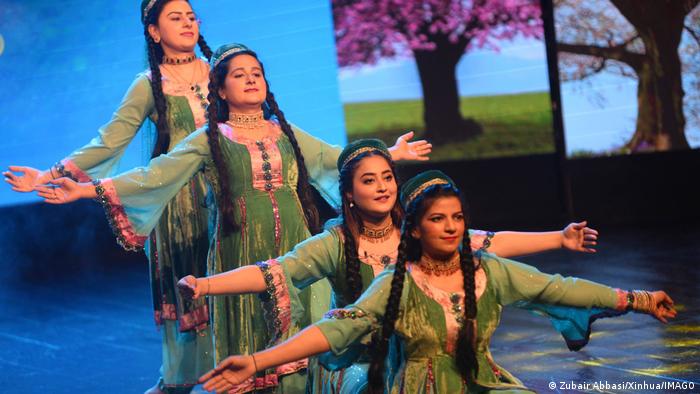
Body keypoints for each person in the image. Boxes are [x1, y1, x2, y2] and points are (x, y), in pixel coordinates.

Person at [32, 44, 430, 393]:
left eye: (257, 73)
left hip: (297, 247)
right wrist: (84, 189)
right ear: (220, 89)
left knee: (305, 348)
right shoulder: (210, 138)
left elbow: (333, 159)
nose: (251, 80)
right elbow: (157, 174)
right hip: (240, 251)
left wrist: (389, 154)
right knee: (254, 348)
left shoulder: (282, 132)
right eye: (239, 75)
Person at [178, 142, 603, 394]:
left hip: (425, 360)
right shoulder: (335, 243)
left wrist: (558, 238)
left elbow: (488, 243)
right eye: (369, 180)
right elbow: (274, 272)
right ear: (348, 194)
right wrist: (205, 285)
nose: (382, 187)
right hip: (360, 365)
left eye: (387, 177)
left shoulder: (418, 231)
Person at [4, 2, 215, 392]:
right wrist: (48, 175)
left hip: (233, 197)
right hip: (182, 203)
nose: (187, 22)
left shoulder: (221, 69)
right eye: (175, 17)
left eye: (191, 16)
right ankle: (181, 380)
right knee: (194, 291)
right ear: (153, 31)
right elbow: (109, 141)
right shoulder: (150, 84)